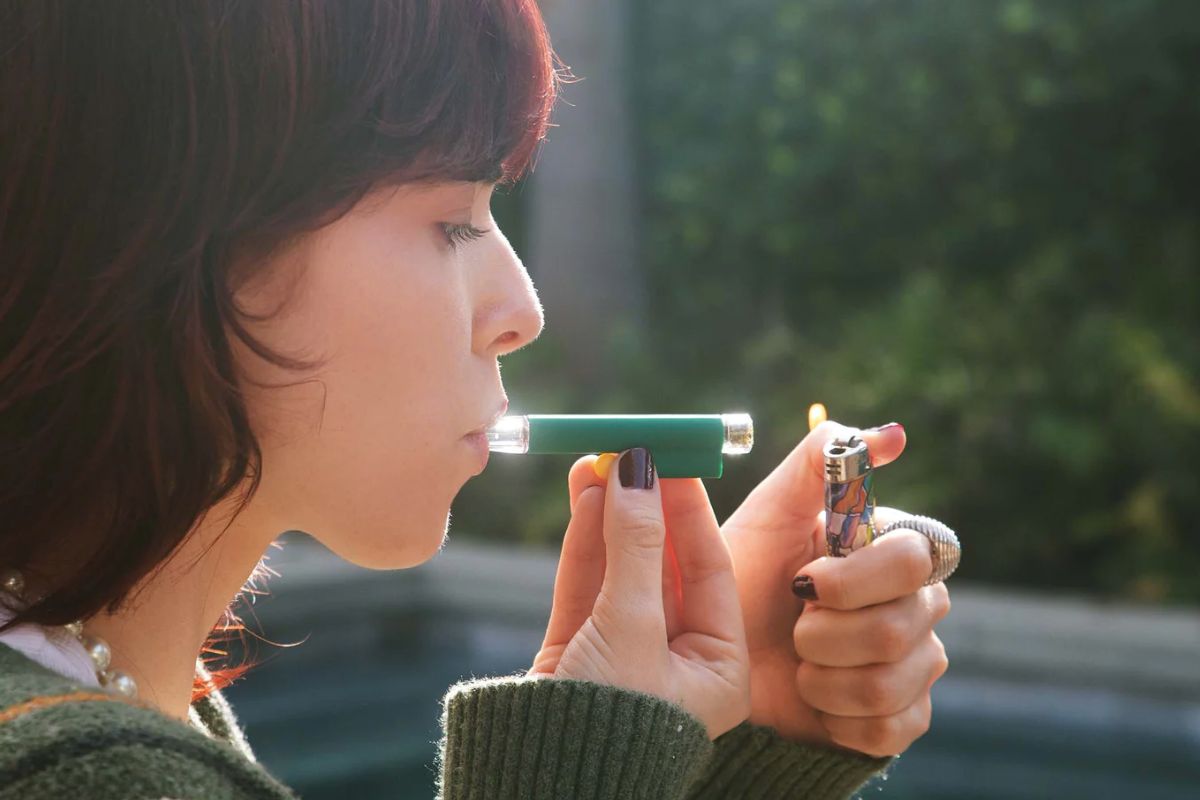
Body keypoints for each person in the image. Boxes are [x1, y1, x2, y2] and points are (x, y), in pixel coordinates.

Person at [0, 2, 951, 798]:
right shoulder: (82, 772)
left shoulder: (114, 712)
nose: (521, 313)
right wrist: (571, 767)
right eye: (453, 221)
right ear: (182, 231)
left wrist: (709, 737)